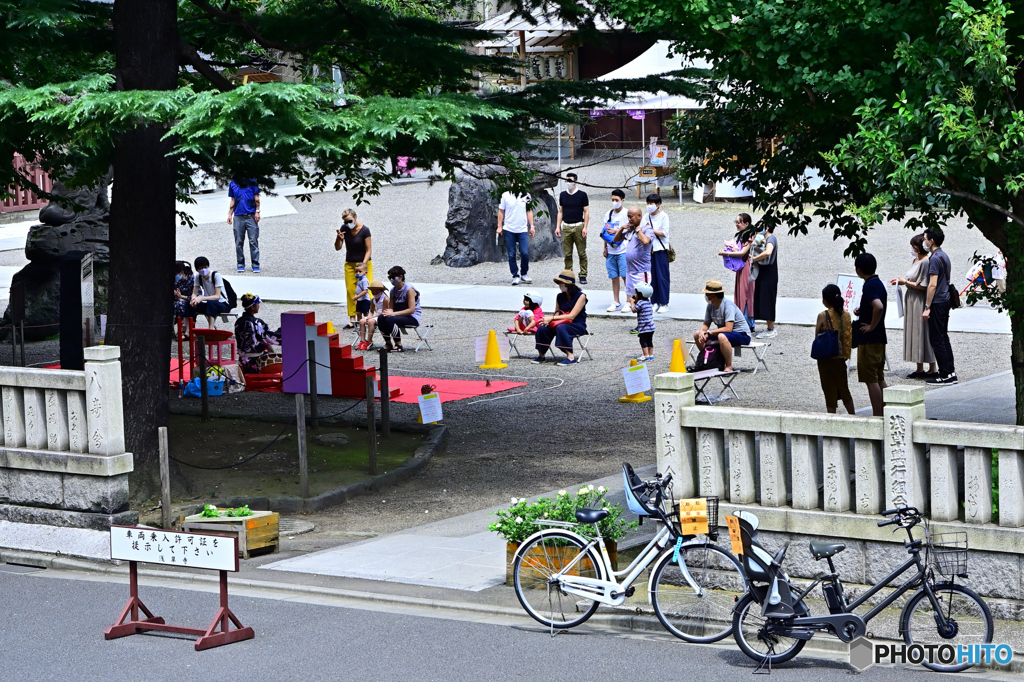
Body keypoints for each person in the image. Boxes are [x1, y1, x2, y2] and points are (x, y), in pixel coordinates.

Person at [890, 234, 936, 379]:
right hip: (911, 298)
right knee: (915, 331)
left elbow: (924, 286)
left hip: (919, 299)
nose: (912, 249)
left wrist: (905, 283)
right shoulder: (916, 260)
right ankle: (919, 366)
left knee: (922, 331)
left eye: (913, 246)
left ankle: (932, 366)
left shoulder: (926, 262)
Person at [854, 252, 888, 416]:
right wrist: (863, 310)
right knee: (879, 377)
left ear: (859, 269)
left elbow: (878, 306)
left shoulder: (868, 286)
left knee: (871, 379)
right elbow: (875, 305)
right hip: (880, 338)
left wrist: (871, 326)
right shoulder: (878, 283)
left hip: (870, 340)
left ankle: (877, 414)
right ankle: (888, 410)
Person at [693, 280, 751, 373]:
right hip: (724, 333)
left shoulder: (728, 306)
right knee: (697, 334)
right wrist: (702, 332)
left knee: (721, 336)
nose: (705, 297)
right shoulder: (710, 306)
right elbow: (706, 324)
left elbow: (729, 328)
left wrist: (709, 332)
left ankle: (728, 366)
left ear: (713, 296)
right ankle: (710, 360)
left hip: (742, 334)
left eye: (707, 294)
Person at [922, 228, 957, 385]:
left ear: (932, 241)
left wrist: (927, 306)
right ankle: (950, 371)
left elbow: (932, 285)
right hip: (946, 300)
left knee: (937, 339)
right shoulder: (944, 255)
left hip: (937, 302)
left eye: (925, 239)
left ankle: (944, 374)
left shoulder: (934, 258)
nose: (924, 241)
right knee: (943, 337)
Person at [533, 270, 587, 366]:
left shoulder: (581, 296)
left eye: (561, 283)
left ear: (567, 284)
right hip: (561, 322)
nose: (559, 285)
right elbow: (557, 312)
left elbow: (572, 316)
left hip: (576, 324)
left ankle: (570, 356)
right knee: (542, 328)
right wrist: (549, 321)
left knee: (561, 328)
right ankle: (541, 355)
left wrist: (552, 318)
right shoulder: (560, 296)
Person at [815, 284, 855, 414]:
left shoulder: (823, 315)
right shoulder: (847, 315)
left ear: (825, 300)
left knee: (829, 389)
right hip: (841, 357)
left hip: (826, 358)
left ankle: (831, 418)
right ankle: (853, 415)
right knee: (844, 388)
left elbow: (817, 337)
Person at [334, 208, 373, 329]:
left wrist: (363, 266)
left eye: (350, 221)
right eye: (345, 222)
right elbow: (338, 248)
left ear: (355, 218)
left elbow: (368, 250)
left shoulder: (365, 230)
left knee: (368, 290)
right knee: (351, 290)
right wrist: (339, 238)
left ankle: (369, 317)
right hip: (350, 264)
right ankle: (352, 318)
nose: (347, 224)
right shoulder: (344, 228)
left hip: (363, 264)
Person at [718, 213, 757, 334]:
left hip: (747, 266)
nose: (736, 224)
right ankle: (745, 321)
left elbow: (743, 253)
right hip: (744, 265)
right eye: (736, 222)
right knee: (742, 292)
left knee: (746, 293)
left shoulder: (749, 235)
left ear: (746, 224)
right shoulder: (743, 235)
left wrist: (727, 254)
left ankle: (747, 322)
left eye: (739, 222)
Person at [613, 206, 654, 311]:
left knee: (642, 299)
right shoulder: (630, 230)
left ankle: (646, 323)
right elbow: (616, 239)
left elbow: (645, 241)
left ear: (639, 216)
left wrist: (639, 230)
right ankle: (640, 323)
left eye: (631, 217)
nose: (629, 219)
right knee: (634, 298)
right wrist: (622, 228)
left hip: (641, 271)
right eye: (628, 217)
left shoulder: (647, 229)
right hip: (631, 271)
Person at [555, 172, 590, 284]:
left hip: (578, 226)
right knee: (567, 254)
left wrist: (585, 227)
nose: (568, 183)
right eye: (567, 180)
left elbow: (586, 211)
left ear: (575, 182)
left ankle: (583, 274)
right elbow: (560, 211)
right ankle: (568, 274)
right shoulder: (563, 195)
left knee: (581, 253)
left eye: (570, 180)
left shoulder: (582, 195)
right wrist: (557, 226)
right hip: (566, 226)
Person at [377, 266, 420, 352]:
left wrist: (393, 314)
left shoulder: (409, 290)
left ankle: (398, 344)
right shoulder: (393, 290)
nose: (391, 280)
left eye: (393, 277)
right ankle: (388, 343)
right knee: (381, 318)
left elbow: (411, 310)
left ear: (401, 277)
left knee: (390, 319)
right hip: (399, 315)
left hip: (412, 317)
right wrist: (388, 312)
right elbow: (391, 307)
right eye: (389, 277)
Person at [234, 294, 281, 373]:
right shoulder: (257, 323)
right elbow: (270, 338)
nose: (259, 305)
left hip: (243, 359)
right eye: (258, 304)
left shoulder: (238, 321)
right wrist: (282, 330)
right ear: (252, 307)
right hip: (256, 360)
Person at [497, 191, 535, 285]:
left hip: (522, 229)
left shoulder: (526, 195)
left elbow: (529, 211)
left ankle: (524, 273)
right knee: (511, 254)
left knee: (524, 252)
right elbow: (501, 211)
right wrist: (499, 226)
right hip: (509, 229)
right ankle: (515, 275)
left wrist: (532, 226)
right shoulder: (505, 195)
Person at [601, 189, 630, 312]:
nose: (614, 202)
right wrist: (605, 248)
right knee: (614, 277)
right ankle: (616, 301)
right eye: (613, 200)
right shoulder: (609, 214)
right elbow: (605, 232)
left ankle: (629, 301)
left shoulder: (627, 213)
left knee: (625, 276)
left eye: (617, 200)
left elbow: (630, 230)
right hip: (611, 249)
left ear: (622, 201)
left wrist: (617, 231)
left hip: (623, 249)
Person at [750, 224, 779, 338]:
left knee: (768, 300)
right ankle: (768, 327)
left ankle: (771, 329)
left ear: (767, 227)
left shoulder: (771, 238)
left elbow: (768, 252)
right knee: (762, 298)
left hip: (769, 273)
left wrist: (754, 259)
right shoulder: (763, 238)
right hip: (763, 273)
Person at [227, 178, 260, 273]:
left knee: (253, 240)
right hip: (238, 216)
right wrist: (230, 214)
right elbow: (232, 200)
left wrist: (257, 211)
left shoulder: (252, 182)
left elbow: (256, 197)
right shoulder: (233, 183)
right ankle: (240, 263)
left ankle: (255, 263)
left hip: (250, 215)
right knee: (238, 241)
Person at [646, 193, 671, 312]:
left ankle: (664, 302)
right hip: (649, 249)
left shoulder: (664, 216)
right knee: (652, 277)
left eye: (651, 203)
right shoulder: (646, 216)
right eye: (648, 203)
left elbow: (664, 232)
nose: (649, 206)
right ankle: (654, 301)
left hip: (660, 249)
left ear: (658, 204)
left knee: (662, 277)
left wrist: (651, 230)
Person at [188, 256, 230, 321]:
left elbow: (217, 296)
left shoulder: (216, 275)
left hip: (222, 303)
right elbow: (194, 292)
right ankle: (189, 329)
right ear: (197, 270)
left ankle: (210, 329)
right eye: (201, 268)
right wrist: (193, 299)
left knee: (211, 303)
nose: (204, 269)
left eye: (205, 267)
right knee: (190, 304)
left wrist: (201, 298)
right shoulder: (198, 276)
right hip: (207, 302)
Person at [357, 280, 389, 350]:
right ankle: (362, 340)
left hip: (382, 316)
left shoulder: (385, 299)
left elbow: (384, 311)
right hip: (376, 315)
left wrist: (372, 317)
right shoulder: (373, 299)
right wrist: (369, 316)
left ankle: (369, 340)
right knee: (362, 321)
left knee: (371, 321)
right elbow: (371, 311)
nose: (374, 292)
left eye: (376, 291)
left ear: (380, 290)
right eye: (372, 291)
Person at [632, 282, 655, 361]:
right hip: (651, 327)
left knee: (642, 340)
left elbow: (634, 310)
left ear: (640, 294)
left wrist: (632, 302)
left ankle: (645, 355)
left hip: (644, 327)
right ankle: (651, 355)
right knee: (649, 341)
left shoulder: (640, 303)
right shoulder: (648, 302)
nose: (635, 295)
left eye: (636, 294)